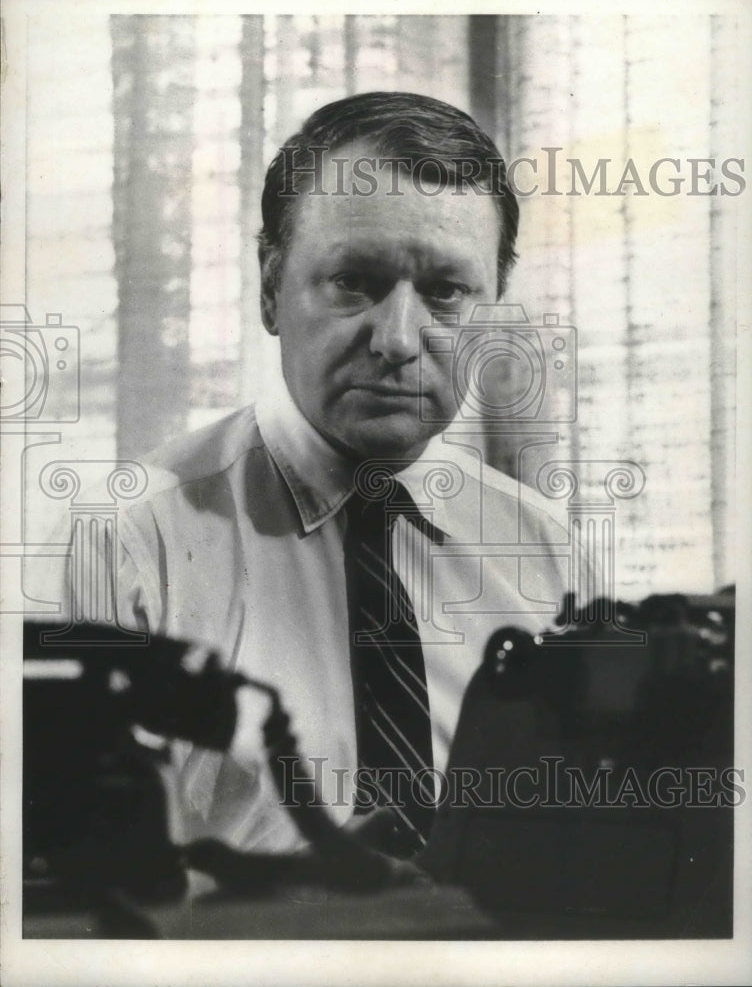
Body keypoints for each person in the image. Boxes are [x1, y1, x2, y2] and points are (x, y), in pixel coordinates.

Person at [56, 92, 577, 858]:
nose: (399, 339)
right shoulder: (133, 537)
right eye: (353, 281)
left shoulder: (550, 549)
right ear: (272, 288)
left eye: (445, 291)